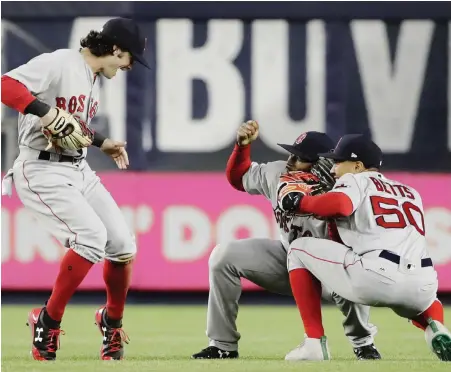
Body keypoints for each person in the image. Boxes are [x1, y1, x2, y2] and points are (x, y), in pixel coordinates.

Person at [1, 18, 150, 361]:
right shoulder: (61, 62)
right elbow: (6, 84)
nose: (129, 66)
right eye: (129, 58)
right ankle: (47, 320)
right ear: (114, 48)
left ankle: (111, 324)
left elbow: (70, 125)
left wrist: (101, 142)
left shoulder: (91, 77)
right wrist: (44, 111)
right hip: (41, 169)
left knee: (123, 245)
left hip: (78, 168)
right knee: (91, 238)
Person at [191, 121, 381, 360]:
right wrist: (242, 147)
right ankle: (222, 345)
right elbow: (238, 178)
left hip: (333, 268)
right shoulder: (278, 173)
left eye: (299, 157)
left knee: (352, 267)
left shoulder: (347, 188)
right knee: (223, 256)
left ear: (321, 164)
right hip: (288, 259)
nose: (291, 161)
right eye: (292, 153)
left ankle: (363, 343)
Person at [278, 134, 451, 361]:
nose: (333, 169)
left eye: (339, 162)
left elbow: (340, 205)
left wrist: (300, 202)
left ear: (358, 165)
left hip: (375, 276)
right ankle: (436, 328)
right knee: (424, 300)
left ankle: (313, 342)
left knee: (298, 249)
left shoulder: (356, 180)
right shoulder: (411, 192)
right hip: (424, 284)